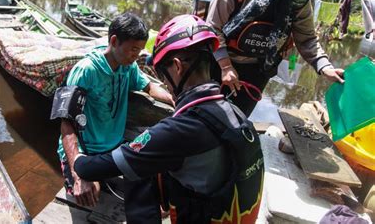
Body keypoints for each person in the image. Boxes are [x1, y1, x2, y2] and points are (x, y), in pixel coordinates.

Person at [73, 15, 264, 223]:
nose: (165, 82)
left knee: (136, 170)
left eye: (163, 75)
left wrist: (77, 161)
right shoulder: (234, 114)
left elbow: (89, 168)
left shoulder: (181, 129)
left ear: (177, 67)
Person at [206, 0, 345, 116]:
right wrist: (225, 66)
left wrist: (324, 66)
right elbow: (213, 28)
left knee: (238, 120)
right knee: (206, 115)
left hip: (259, 69)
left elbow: (306, 39)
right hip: (219, 62)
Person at [58, 13, 173, 221]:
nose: (136, 55)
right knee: (87, 198)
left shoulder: (128, 67)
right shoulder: (86, 71)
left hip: (114, 146)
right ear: (113, 41)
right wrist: (79, 172)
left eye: (139, 50)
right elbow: (67, 124)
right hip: (87, 152)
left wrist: (175, 100)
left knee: (153, 179)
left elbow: (149, 87)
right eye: (133, 49)